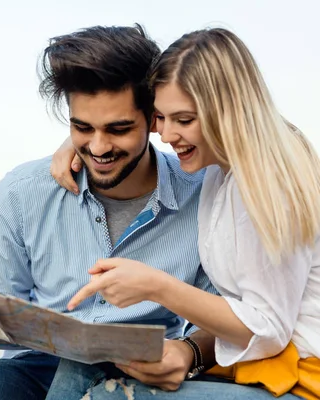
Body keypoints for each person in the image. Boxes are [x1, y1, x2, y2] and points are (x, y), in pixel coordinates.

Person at [0, 25, 221, 400]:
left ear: (155, 119)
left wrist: (190, 352)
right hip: (37, 364)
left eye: (118, 129)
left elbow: (228, 316)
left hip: (145, 369)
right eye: (81, 128)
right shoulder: (23, 191)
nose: (99, 147)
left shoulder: (203, 193)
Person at [48, 27, 320, 399]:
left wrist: (156, 287)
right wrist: (89, 144)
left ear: (229, 111)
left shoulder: (266, 182)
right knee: (81, 368)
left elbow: (267, 328)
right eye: (161, 117)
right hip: (261, 369)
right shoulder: (221, 166)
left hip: (300, 380)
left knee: (105, 394)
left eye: (184, 120)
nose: (167, 134)